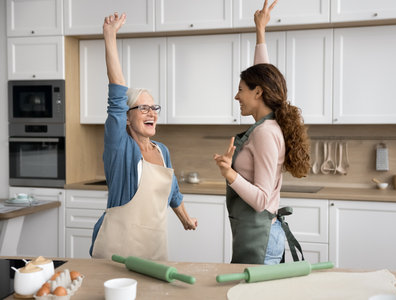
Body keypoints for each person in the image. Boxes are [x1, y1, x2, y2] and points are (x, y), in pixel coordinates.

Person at [90, 12, 197, 260]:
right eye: (143, 108)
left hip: (154, 249)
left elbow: (173, 195)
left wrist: (186, 219)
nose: (152, 113)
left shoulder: (162, 151)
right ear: (126, 117)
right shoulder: (119, 146)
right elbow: (116, 91)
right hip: (116, 251)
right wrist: (109, 35)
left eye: (154, 108)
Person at [214, 0, 310, 265]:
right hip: (254, 234)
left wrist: (229, 173)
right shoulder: (266, 122)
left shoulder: (265, 133)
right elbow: (263, 75)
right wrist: (260, 31)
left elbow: (262, 200)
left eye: (241, 89)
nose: (236, 96)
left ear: (257, 93)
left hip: (261, 236)